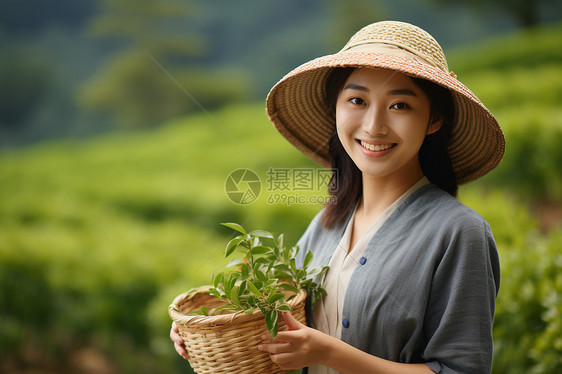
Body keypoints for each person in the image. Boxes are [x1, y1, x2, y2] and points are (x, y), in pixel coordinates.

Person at [171, 20, 504, 374]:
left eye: (400, 106)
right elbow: (279, 321)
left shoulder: (459, 233)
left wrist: (331, 353)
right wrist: (209, 331)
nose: (373, 125)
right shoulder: (325, 225)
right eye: (357, 100)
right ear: (336, 110)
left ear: (433, 119)